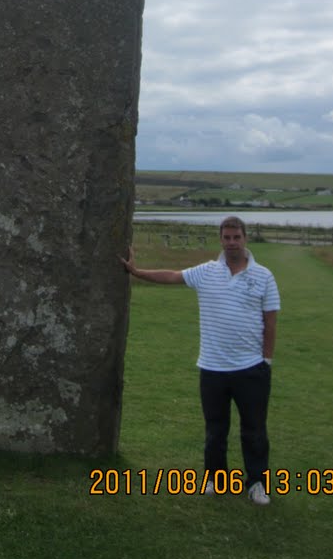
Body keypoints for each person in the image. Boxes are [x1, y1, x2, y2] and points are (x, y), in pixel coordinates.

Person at [120, 215, 280, 505]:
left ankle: (257, 483)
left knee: (254, 430)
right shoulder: (207, 272)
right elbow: (171, 275)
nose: (232, 243)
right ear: (221, 240)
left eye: (237, 237)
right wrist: (137, 272)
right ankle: (216, 481)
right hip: (212, 368)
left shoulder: (264, 276)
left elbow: (270, 322)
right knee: (215, 429)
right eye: (227, 237)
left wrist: (265, 362)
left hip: (251, 369)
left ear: (245, 239)